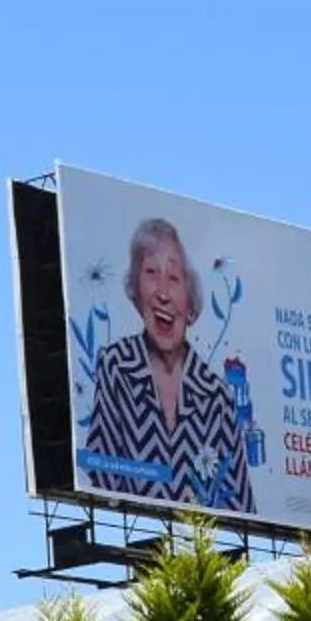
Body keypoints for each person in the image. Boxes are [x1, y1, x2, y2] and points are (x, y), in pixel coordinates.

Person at [79, 216, 250, 514]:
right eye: (150, 273)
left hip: (202, 549)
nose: (162, 292)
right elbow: (100, 465)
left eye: (174, 278)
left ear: (190, 298)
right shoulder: (117, 365)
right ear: (135, 290)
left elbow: (240, 500)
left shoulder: (217, 394)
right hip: (141, 539)